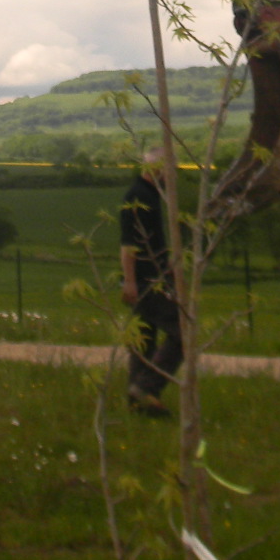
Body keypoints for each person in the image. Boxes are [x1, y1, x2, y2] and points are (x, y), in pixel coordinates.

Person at [118, 145, 183, 417]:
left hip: (153, 276)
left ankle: (138, 401)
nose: (172, 175)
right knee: (183, 334)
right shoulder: (137, 198)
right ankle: (147, 387)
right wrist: (130, 281)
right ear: (156, 169)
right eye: (170, 170)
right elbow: (128, 245)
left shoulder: (153, 195)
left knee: (142, 340)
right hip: (146, 280)